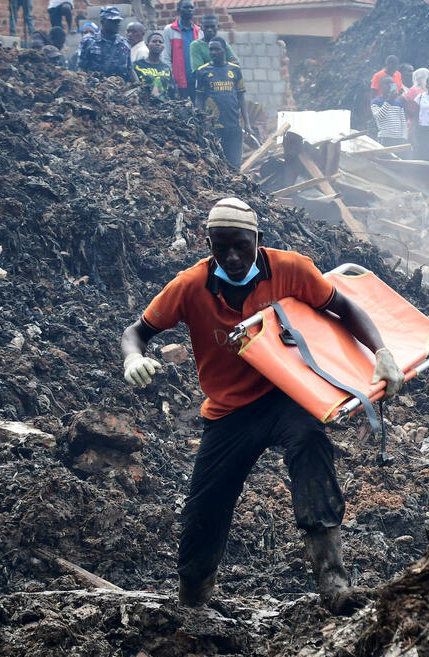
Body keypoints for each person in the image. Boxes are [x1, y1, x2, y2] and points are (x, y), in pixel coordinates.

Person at [120, 198, 404, 614]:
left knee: (310, 442)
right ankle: (193, 599)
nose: (233, 257)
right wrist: (132, 357)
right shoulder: (190, 285)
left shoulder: (291, 269)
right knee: (205, 507)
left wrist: (381, 350)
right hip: (229, 411)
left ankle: (334, 583)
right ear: (209, 244)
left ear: (258, 240)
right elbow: (137, 331)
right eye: (221, 247)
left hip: (285, 396)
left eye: (241, 246)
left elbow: (343, 306)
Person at [195, 37, 252, 169]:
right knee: (216, 163)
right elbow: (199, 98)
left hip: (234, 125)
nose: (213, 52)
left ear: (224, 50)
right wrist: (200, 121)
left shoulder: (235, 70)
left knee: (235, 163)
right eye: (211, 49)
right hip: (213, 126)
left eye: (216, 49)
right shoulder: (202, 71)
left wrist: (247, 123)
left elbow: (241, 97)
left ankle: (236, 188)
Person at [78, 6, 135, 82]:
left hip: (119, 89)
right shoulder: (88, 41)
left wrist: (139, 86)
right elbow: (82, 68)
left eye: (118, 21)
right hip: (94, 89)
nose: (117, 24)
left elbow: (130, 69)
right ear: (102, 21)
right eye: (113, 21)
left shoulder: (124, 43)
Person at [162, 0, 201, 99]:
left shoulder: (199, 31)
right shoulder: (169, 30)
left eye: (191, 8)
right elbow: (166, 57)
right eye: (186, 7)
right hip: (178, 83)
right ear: (178, 10)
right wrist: (171, 79)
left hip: (197, 83)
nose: (189, 10)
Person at [370, 75, 408, 146]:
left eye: (391, 84)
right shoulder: (376, 102)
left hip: (398, 138)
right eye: (387, 83)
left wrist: (404, 137)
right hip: (385, 138)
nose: (389, 86)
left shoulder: (398, 103)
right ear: (381, 86)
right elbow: (379, 117)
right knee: (385, 156)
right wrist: (388, 102)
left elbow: (403, 121)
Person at [134, 31, 174, 98]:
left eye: (160, 42)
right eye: (154, 41)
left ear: (163, 46)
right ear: (147, 45)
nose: (157, 44)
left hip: (164, 105)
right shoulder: (137, 65)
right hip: (144, 105)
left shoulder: (166, 68)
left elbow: (171, 89)